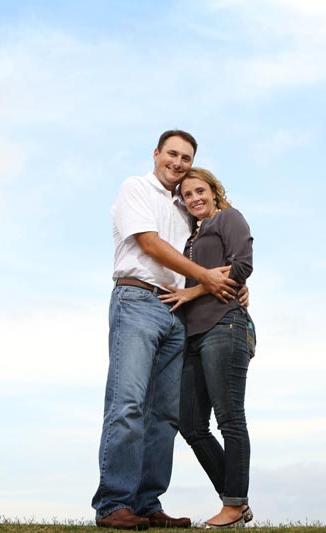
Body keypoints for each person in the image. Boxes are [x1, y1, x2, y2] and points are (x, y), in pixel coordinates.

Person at [92, 131, 245, 530]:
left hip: (175, 313)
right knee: (128, 405)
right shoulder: (136, 188)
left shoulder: (183, 207)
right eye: (172, 154)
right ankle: (113, 504)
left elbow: (215, 258)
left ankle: (146, 503)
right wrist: (206, 279)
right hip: (137, 301)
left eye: (186, 157)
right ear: (157, 154)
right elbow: (149, 243)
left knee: (164, 417)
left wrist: (236, 285)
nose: (178, 162)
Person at [159, 168, 256, 529]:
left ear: (214, 192)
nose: (195, 198)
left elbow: (242, 265)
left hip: (225, 325)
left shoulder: (228, 218)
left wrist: (193, 290)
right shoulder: (189, 238)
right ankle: (236, 501)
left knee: (229, 417)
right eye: (187, 195)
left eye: (200, 190)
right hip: (193, 335)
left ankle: (233, 506)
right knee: (191, 424)